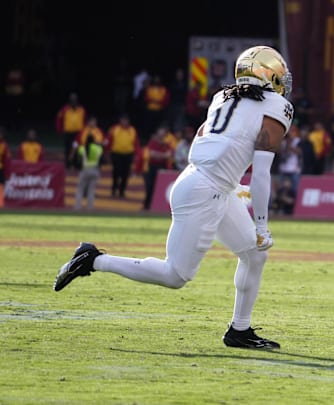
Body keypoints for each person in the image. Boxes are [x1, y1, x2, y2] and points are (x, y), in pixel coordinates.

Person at [54, 45, 295, 350]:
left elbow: (205, 135)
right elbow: (261, 172)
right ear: (266, 74)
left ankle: (240, 330)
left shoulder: (224, 97)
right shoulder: (275, 106)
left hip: (207, 183)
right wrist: (262, 225)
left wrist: (231, 182)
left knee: (254, 254)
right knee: (175, 275)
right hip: (205, 190)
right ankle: (94, 259)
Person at [106, 113, 141, 198]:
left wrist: (137, 154)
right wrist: (107, 153)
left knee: (125, 173)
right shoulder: (114, 129)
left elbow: (136, 143)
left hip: (128, 155)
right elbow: (109, 141)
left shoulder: (132, 130)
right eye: (123, 120)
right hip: (117, 154)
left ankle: (122, 191)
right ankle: (114, 190)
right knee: (116, 172)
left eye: (126, 120)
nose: (124, 122)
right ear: (120, 121)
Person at [74, 134, 103, 210]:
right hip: (95, 170)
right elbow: (101, 158)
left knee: (80, 189)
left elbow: (78, 158)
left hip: (85, 170)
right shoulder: (98, 148)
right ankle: (90, 207)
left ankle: (77, 206)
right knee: (91, 190)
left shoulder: (82, 148)